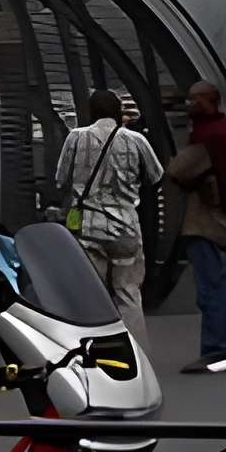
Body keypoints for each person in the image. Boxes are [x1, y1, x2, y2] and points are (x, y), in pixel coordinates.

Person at [56, 89, 164, 340]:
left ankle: (94, 352)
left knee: (91, 295)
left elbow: (61, 179)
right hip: (125, 227)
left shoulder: (75, 138)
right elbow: (156, 176)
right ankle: (139, 356)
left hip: (88, 229)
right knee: (128, 293)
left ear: (91, 112)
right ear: (118, 112)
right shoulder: (136, 140)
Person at [163, 80, 226, 373]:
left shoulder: (207, 136)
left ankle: (217, 348)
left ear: (209, 100)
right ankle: (224, 344)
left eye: (195, 99)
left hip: (205, 221)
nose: (189, 105)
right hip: (222, 218)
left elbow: (177, 169)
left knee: (210, 288)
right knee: (216, 285)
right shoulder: (222, 130)